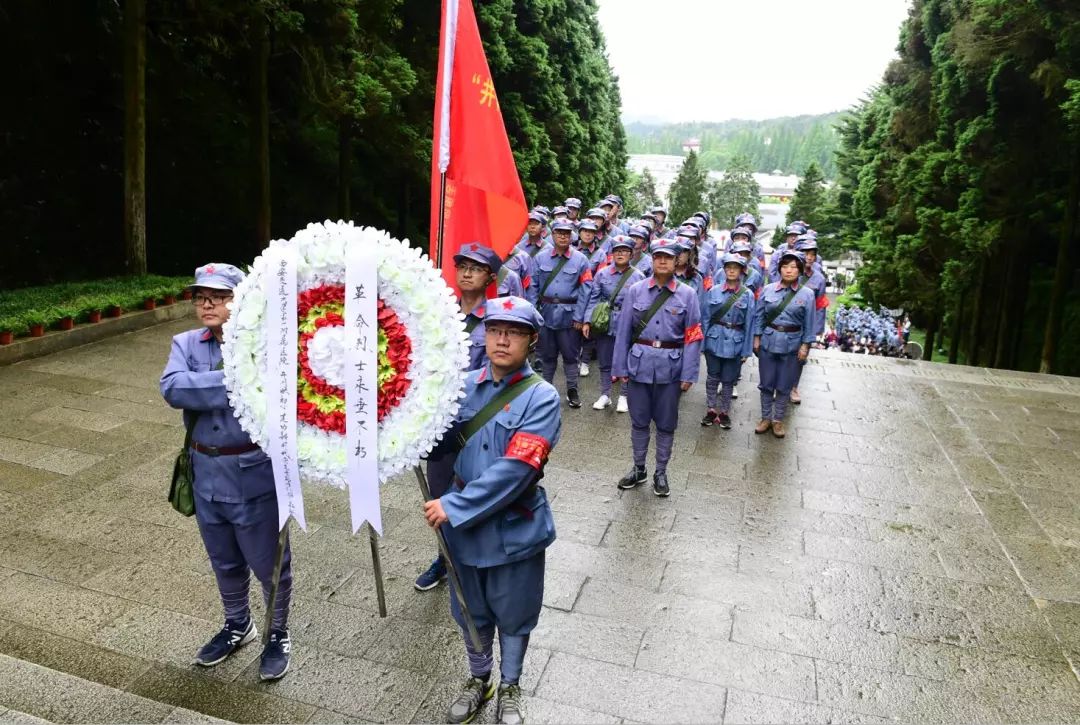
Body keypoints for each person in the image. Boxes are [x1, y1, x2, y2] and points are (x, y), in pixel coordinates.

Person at [423, 296, 560, 725]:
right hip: (462, 529)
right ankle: (478, 678)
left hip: (513, 525)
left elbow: (517, 469)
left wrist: (454, 504)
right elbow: (438, 445)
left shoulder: (542, 397)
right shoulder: (461, 386)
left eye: (514, 332)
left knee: (515, 611)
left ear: (531, 340)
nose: (502, 340)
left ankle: (511, 686)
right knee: (469, 608)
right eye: (496, 330)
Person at [160, 263, 292, 681]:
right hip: (205, 470)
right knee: (223, 559)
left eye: (219, 296)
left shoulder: (267, 345)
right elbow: (172, 389)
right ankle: (238, 624)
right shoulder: (185, 342)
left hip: (252, 470)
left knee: (268, 562)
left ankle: (277, 633)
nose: (207, 304)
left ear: (242, 301)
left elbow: (275, 387)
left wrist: (209, 383)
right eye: (201, 297)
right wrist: (237, 378)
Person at [415, 243, 509, 593]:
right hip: (441, 425)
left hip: (480, 422)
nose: (466, 272)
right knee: (439, 492)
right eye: (462, 266)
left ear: (490, 277)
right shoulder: (439, 312)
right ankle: (445, 557)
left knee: (478, 491)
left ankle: (479, 558)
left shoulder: (498, 320)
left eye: (476, 267)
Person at [612, 238, 703, 497]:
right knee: (639, 421)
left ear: (677, 262)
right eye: (657, 257)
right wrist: (619, 367)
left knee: (665, 423)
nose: (662, 261)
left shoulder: (688, 294)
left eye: (668, 257)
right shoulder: (635, 291)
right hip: (638, 364)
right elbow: (623, 332)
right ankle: (639, 467)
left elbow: (694, 336)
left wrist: (689, 373)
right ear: (652, 260)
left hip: (671, 368)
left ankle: (660, 471)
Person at [751, 250, 816, 438]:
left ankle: (778, 420)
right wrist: (756, 338)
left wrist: (805, 346)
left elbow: (809, 323)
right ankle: (765, 418)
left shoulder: (808, 294)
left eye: (794, 267)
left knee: (785, 384)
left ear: (800, 270)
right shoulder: (768, 289)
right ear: (779, 269)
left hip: (792, 343)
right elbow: (759, 316)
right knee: (766, 383)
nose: (789, 270)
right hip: (769, 340)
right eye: (785, 266)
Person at [533, 220, 593, 408]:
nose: (563, 236)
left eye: (567, 233)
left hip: (570, 316)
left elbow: (586, 289)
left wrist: (579, 317)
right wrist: (534, 314)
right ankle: (546, 391)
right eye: (559, 232)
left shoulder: (581, 260)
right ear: (552, 234)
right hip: (546, 314)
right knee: (548, 356)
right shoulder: (540, 258)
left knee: (570, 356)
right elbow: (533, 287)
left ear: (572, 236)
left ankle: (572, 390)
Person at [582, 236, 645, 412]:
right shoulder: (602, 273)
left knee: (625, 360)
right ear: (612, 254)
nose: (620, 254)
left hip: (627, 322)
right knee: (604, 359)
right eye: (617, 251)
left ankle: (624, 396)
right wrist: (587, 320)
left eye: (624, 251)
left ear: (631, 254)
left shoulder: (638, 276)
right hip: (605, 322)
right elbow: (593, 297)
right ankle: (605, 394)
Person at [700, 253, 755, 429]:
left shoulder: (747, 295)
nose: (731, 270)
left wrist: (747, 351)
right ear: (724, 270)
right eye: (728, 267)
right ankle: (710, 409)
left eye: (736, 267)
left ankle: (724, 411)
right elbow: (706, 318)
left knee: (729, 379)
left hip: (736, 341)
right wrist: (702, 343)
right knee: (712, 376)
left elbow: (750, 324)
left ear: (741, 271)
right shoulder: (714, 291)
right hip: (714, 339)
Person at [788, 235, 828, 405]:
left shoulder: (818, 278)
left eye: (812, 254)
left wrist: (816, 330)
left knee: (801, 357)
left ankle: (793, 387)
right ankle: (779, 385)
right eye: (806, 253)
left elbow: (820, 305)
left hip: (807, 324)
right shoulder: (787, 272)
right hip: (787, 322)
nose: (809, 257)